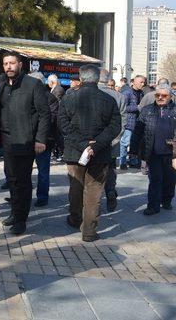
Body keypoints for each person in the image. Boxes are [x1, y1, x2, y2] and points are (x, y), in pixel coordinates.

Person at [0, 53, 50, 235]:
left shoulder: (33, 85)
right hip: (6, 139)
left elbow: (44, 114)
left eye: (12, 63)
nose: (8, 66)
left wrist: (40, 139)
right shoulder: (1, 84)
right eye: (5, 63)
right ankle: (15, 213)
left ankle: (21, 220)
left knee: (22, 181)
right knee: (11, 179)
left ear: (20, 65)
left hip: (25, 139)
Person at [59, 65, 121, 242]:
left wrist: (84, 144)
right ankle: (88, 231)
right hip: (98, 153)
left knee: (76, 187)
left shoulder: (69, 97)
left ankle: (75, 218)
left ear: (81, 77)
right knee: (93, 193)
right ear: (97, 78)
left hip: (76, 152)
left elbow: (63, 124)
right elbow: (115, 126)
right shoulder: (108, 100)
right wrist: (95, 144)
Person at [130, 84, 176, 215]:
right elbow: (138, 130)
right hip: (153, 151)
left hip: (171, 154)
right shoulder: (147, 110)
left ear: (170, 96)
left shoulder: (175, 110)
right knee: (155, 179)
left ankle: (166, 200)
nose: (160, 97)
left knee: (170, 179)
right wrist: (133, 149)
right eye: (157, 95)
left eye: (164, 95)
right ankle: (153, 206)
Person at [98, 68, 127, 212]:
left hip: (94, 141)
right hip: (112, 140)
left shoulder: (88, 92)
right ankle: (110, 192)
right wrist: (116, 138)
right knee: (110, 169)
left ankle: (94, 200)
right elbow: (123, 120)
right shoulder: (119, 96)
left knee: (93, 170)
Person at [29, 72, 57, 207]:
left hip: (44, 140)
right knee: (23, 170)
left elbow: (51, 120)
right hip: (27, 139)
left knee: (43, 171)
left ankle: (42, 196)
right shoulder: (27, 95)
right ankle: (22, 195)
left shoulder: (50, 98)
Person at [119, 76, 141, 169]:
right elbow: (123, 108)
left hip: (138, 122)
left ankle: (133, 161)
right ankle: (122, 162)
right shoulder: (127, 93)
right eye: (141, 82)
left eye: (144, 82)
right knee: (125, 142)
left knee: (135, 143)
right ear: (134, 82)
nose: (143, 84)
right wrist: (137, 107)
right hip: (128, 122)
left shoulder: (141, 93)